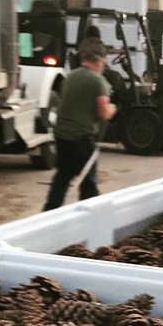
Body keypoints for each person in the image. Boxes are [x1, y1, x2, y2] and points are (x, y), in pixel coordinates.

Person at [42, 42, 116, 210]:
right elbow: (103, 112)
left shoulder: (70, 77)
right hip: (82, 138)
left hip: (61, 136)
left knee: (63, 176)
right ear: (98, 61)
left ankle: (50, 211)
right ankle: (90, 213)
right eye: (104, 63)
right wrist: (112, 109)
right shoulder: (98, 81)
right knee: (88, 180)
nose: (103, 67)